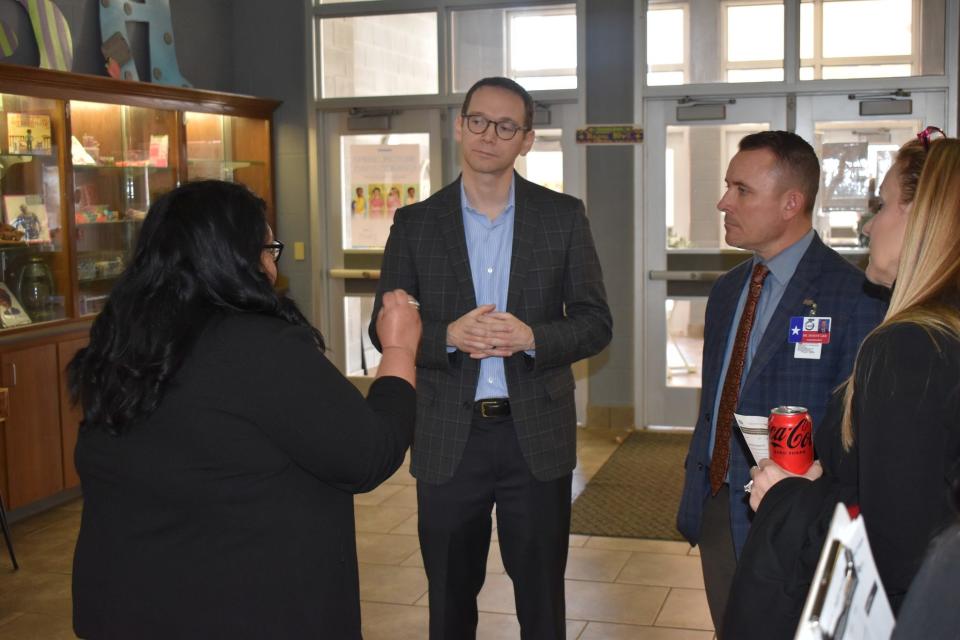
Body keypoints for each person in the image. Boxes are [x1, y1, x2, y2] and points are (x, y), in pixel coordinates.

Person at [70, 180, 421, 639]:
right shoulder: (257, 346)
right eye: (268, 250)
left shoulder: (121, 340)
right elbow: (368, 454)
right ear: (234, 257)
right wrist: (398, 349)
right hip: (240, 610)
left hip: (126, 605)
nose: (273, 266)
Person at [369, 76, 611, 639]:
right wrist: (447, 335)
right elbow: (388, 333)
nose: (488, 135)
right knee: (450, 602)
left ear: (525, 140)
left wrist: (534, 339)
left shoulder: (562, 217)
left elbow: (597, 323)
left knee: (542, 603)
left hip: (537, 440)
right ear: (459, 126)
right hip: (448, 437)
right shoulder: (415, 224)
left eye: (506, 126)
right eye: (477, 120)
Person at [725, 132, 960, 636]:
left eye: (883, 205)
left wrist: (787, 496)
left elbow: (893, 550)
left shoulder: (908, 347)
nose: (871, 225)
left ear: (924, 219)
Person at [675, 130, 887, 634]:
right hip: (719, 506)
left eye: (742, 190)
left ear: (792, 202)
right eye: (729, 186)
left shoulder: (854, 295)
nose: (724, 201)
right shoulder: (728, 291)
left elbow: (853, 429)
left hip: (794, 521)